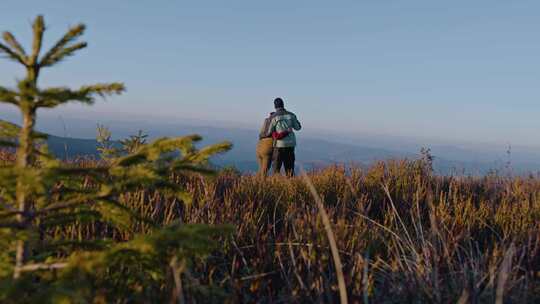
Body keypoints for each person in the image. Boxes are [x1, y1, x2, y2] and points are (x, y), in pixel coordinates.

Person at [268, 97, 301, 176]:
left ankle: (276, 185)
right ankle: (290, 186)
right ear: (283, 105)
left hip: (279, 145)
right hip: (290, 145)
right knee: (289, 169)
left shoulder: (273, 117)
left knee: (276, 169)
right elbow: (298, 127)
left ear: (275, 106)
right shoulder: (291, 115)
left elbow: (269, 131)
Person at [256, 112, 275, 176]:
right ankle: (262, 184)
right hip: (268, 145)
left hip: (260, 145)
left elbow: (261, 134)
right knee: (265, 170)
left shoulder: (266, 121)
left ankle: (257, 182)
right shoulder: (275, 122)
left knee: (261, 169)